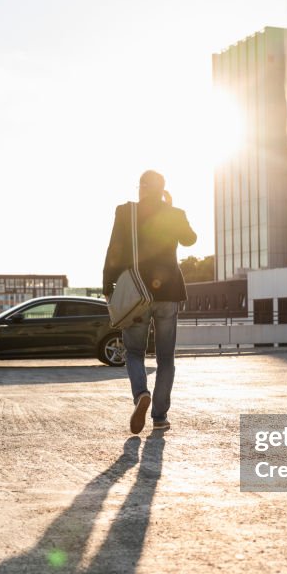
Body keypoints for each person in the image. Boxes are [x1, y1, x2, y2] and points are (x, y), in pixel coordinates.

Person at [103, 170, 197, 434]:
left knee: (134, 352)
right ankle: (159, 416)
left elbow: (114, 249)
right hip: (169, 293)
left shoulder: (126, 212)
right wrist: (170, 207)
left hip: (136, 293)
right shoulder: (174, 213)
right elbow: (190, 239)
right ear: (162, 189)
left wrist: (108, 286)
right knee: (166, 358)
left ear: (143, 188)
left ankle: (141, 395)